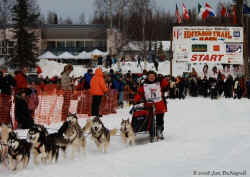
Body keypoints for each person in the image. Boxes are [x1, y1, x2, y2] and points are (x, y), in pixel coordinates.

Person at [134, 71, 168, 141]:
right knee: (150, 119)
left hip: (159, 104)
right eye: (150, 76)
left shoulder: (159, 83)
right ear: (148, 77)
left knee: (160, 119)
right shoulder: (144, 84)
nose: (152, 77)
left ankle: (159, 131)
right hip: (149, 105)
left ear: (155, 77)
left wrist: (162, 79)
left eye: (153, 76)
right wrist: (136, 100)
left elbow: (166, 86)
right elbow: (139, 93)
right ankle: (152, 132)